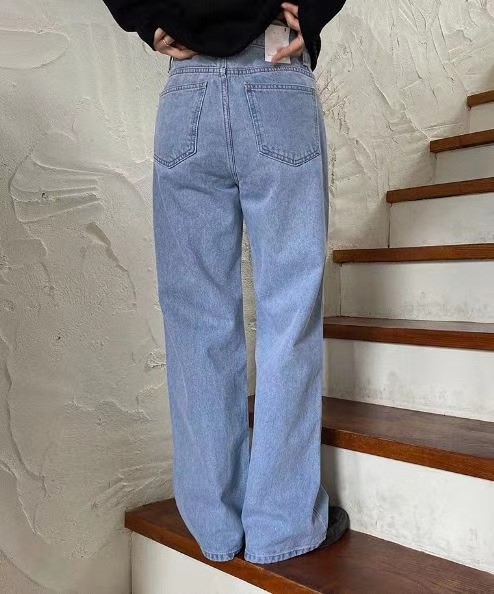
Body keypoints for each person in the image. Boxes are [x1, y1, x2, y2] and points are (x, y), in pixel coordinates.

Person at [102, 0, 349, 565]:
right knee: (289, 312)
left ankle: (215, 523)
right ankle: (282, 526)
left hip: (188, 90)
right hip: (274, 72)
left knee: (196, 318)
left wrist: (147, 16)